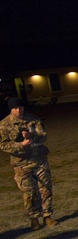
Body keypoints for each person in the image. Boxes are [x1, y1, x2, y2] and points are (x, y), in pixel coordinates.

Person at [0, 97, 56, 230]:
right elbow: (3, 145)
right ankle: (34, 218)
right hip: (21, 163)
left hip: (39, 160)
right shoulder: (4, 124)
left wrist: (31, 135)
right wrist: (20, 145)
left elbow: (43, 135)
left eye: (20, 107)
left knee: (46, 189)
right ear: (11, 109)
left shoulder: (33, 119)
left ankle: (47, 216)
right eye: (15, 108)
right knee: (29, 192)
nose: (18, 110)